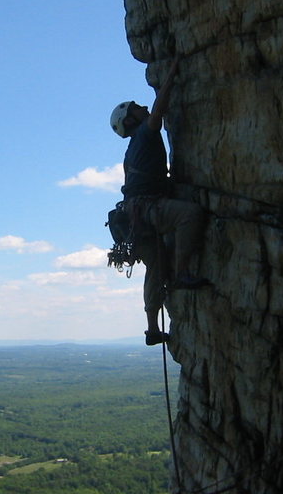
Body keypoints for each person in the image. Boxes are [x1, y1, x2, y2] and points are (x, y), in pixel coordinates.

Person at [110, 54, 208, 346]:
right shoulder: (142, 136)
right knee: (189, 214)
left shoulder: (131, 152)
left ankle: (153, 328)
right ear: (130, 120)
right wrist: (171, 75)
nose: (141, 107)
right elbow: (158, 111)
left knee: (155, 266)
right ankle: (182, 274)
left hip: (136, 217)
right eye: (135, 108)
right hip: (148, 210)